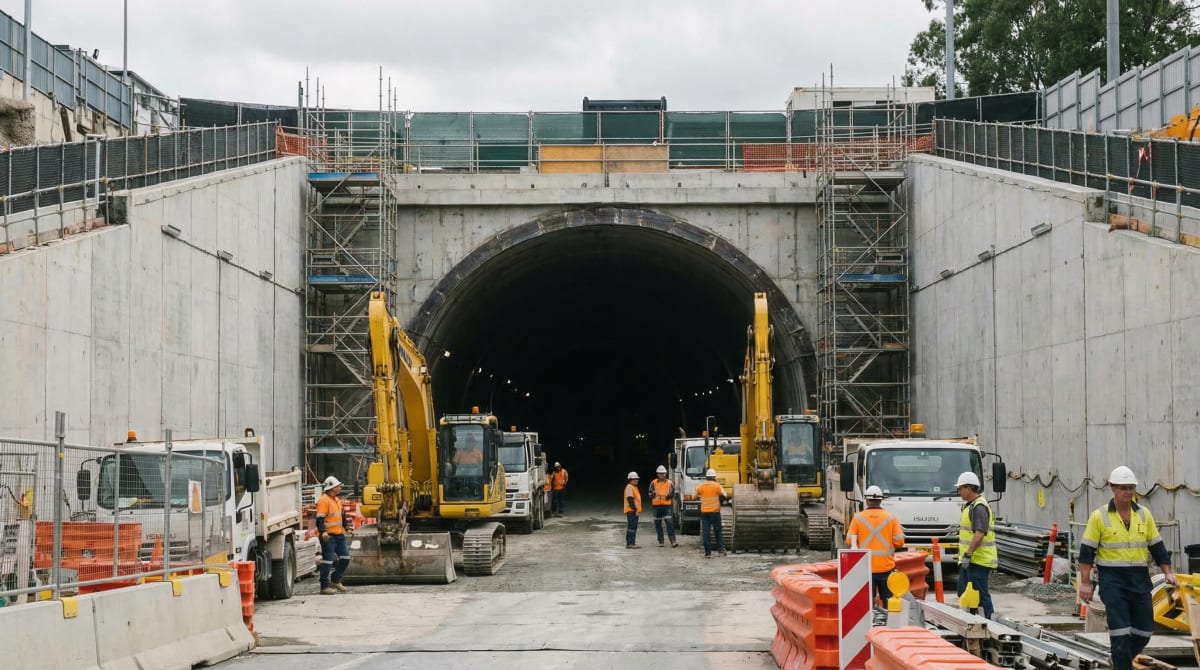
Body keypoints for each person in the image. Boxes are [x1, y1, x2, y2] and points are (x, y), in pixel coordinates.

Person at [1078, 466, 1178, 670]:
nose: (1128, 492)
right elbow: (1086, 552)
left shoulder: (1144, 515)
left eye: (1131, 487)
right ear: (1113, 488)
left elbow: (1157, 547)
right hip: (1113, 582)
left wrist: (1168, 572)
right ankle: (1122, 665)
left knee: (1144, 631)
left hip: (1139, 581)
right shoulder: (1099, 516)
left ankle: (1119, 661)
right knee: (1121, 634)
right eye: (1123, 488)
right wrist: (1085, 583)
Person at [846, 485, 905, 605]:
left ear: (867, 500)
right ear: (880, 500)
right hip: (886, 567)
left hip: (866, 568)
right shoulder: (891, 518)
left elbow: (849, 541)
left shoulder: (858, 518)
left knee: (867, 604)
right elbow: (899, 542)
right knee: (889, 602)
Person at [956, 471, 996, 618]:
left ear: (969, 488)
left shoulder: (978, 507)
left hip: (978, 560)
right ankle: (972, 619)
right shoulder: (971, 506)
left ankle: (990, 621)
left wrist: (969, 553)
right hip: (971, 560)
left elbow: (979, 533)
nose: (959, 492)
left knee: (981, 594)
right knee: (965, 592)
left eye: (960, 488)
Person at [316, 475, 351, 595]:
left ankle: (335, 580)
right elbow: (319, 519)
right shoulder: (324, 500)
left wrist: (346, 527)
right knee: (327, 561)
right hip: (329, 536)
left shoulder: (336, 500)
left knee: (345, 558)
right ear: (332, 488)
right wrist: (323, 532)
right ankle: (324, 586)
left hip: (339, 535)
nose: (340, 488)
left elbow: (342, 515)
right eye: (338, 486)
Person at [695, 468, 729, 558]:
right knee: (718, 531)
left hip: (705, 513)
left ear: (706, 477)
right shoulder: (717, 485)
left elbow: (693, 497)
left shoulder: (701, 486)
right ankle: (721, 550)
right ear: (714, 477)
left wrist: (701, 496)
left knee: (706, 533)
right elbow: (725, 495)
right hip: (715, 512)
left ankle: (708, 553)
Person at [648, 465, 678, 547]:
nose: (661, 475)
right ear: (657, 474)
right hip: (656, 506)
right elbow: (649, 493)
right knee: (658, 524)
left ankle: (673, 541)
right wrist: (652, 494)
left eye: (663, 473)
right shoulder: (653, 483)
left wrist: (669, 496)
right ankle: (661, 541)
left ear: (665, 474)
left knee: (669, 524)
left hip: (666, 506)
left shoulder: (669, 483)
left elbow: (673, 493)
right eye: (660, 473)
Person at [624, 472, 642, 549]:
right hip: (631, 511)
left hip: (632, 511)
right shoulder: (629, 487)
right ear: (630, 480)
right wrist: (635, 510)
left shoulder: (634, 487)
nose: (637, 480)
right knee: (632, 527)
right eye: (635, 479)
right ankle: (630, 543)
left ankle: (631, 543)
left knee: (632, 527)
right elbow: (630, 500)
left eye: (637, 479)